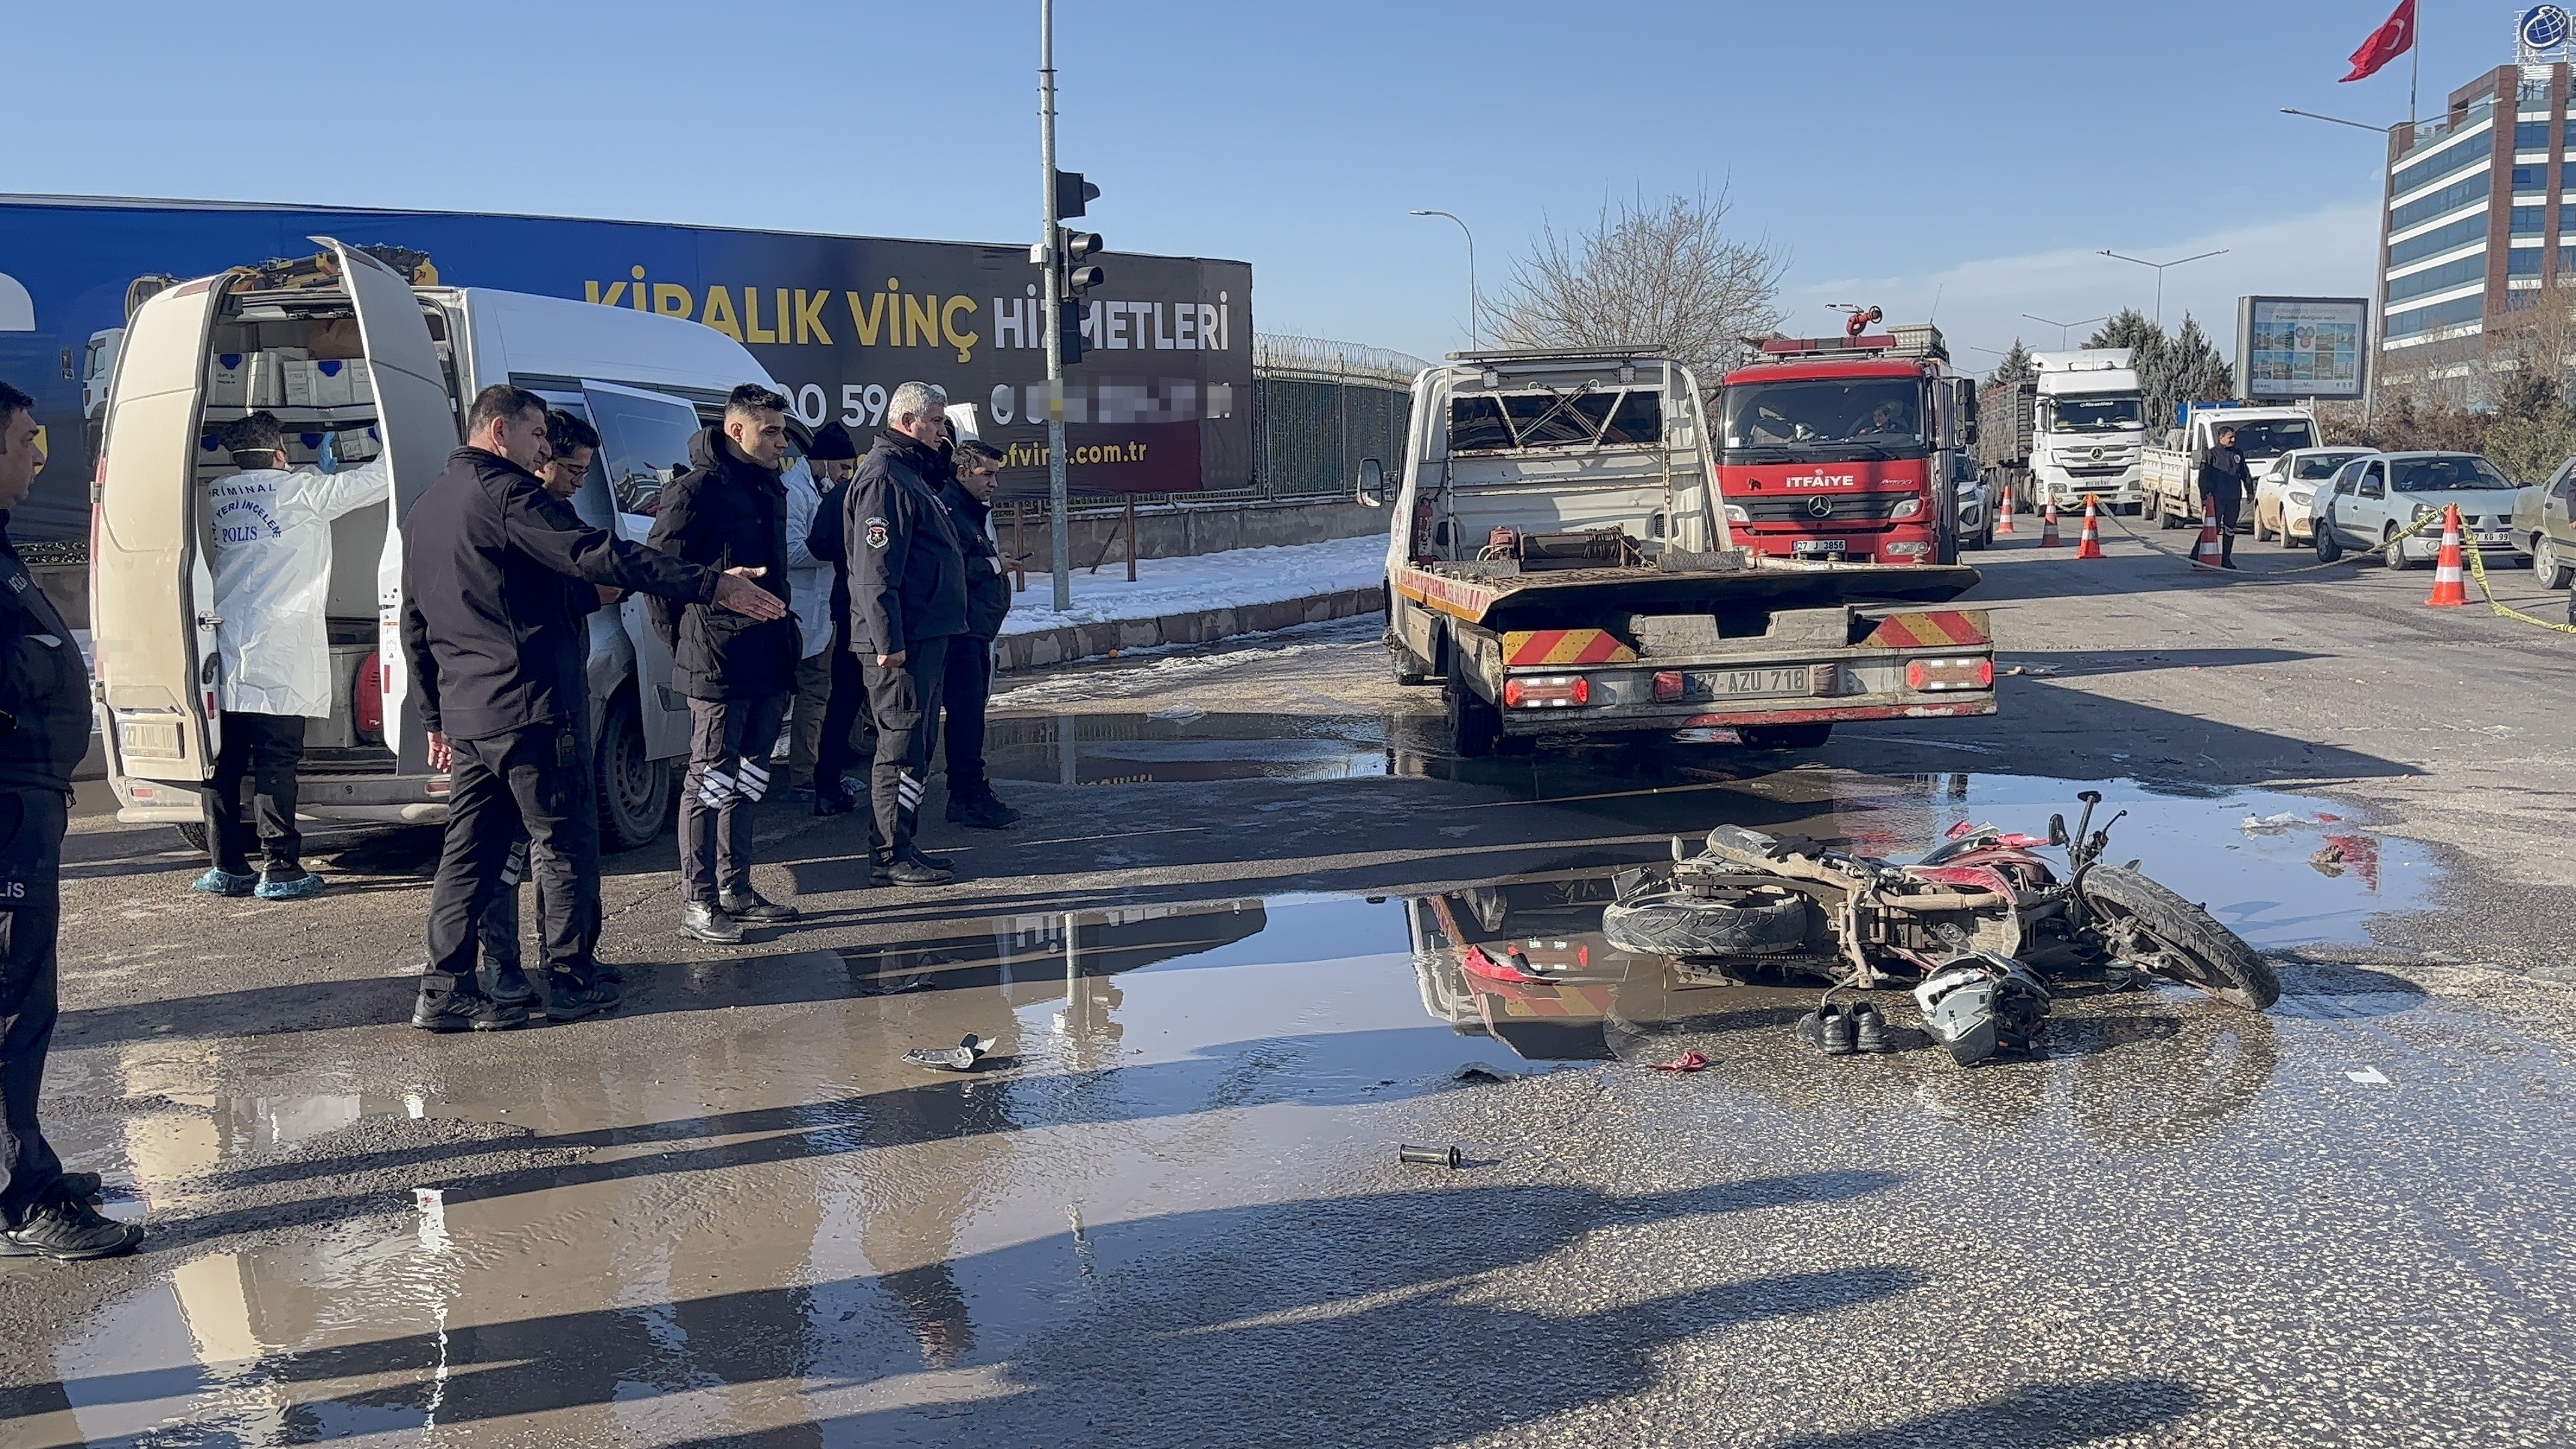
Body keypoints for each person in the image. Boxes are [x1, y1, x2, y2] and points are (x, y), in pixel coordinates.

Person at [402, 384, 786, 1032]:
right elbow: (593, 553)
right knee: (564, 844)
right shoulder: (508, 495)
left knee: (469, 855)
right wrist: (711, 584)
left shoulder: (428, 506)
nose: (543, 450)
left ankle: (444, 990)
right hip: (531, 707)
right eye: (536, 437)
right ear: (499, 432)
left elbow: (421, 622)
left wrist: (434, 716)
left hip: (471, 714)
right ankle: (571, 976)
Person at [0, 381, 138, 1258]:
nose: (35, 459)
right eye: (25, 443)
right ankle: (21, 1199)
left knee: (24, 1000)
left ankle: (28, 1164)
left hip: (26, 803)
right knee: (8, 1008)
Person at [194, 412, 390, 900]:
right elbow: (380, 480)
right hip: (278, 651)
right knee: (276, 762)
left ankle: (227, 864)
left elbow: (264, 497)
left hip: (225, 645)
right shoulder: (302, 493)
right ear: (280, 452)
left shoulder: (219, 493)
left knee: (224, 762)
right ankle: (279, 867)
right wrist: (388, 434)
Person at [649, 384, 803, 945]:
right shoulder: (695, 491)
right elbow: (658, 574)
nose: (782, 443)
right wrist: (690, 640)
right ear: (737, 430)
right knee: (711, 778)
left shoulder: (768, 485)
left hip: (769, 657)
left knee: (752, 775)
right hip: (716, 661)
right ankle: (699, 902)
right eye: (771, 432)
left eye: (783, 432)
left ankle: (736, 887)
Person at [474, 409, 610, 1008]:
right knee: (517, 846)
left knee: (569, 842)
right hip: (521, 707)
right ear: (540, 458)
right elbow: (577, 590)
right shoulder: (517, 517)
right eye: (572, 470)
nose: (579, 482)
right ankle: (510, 965)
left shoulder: (558, 516)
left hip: (558, 695)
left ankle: (573, 959)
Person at [847, 380, 968, 888]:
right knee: (899, 748)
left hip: (925, 635)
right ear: (906, 421)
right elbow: (875, 571)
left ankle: (905, 842)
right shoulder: (884, 478)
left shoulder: (910, 473)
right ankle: (889, 853)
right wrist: (888, 641)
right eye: (935, 421)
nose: (943, 431)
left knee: (917, 746)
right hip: (901, 644)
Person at [937, 438, 1018, 829]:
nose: (993, 484)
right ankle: (968, 795)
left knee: (969, 715)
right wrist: (994, 566)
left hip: (974, 630)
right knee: (966, 715)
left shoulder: (969, 510)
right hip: (960, 632)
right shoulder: (950, 510)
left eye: (996, 475)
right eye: (987, 474)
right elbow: (955, 569)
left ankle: (966, 792)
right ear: (962, 472)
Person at [786, 421, 855, 802]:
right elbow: (790, 551)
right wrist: (834, 547)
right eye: (843, 467)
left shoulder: (822, 489)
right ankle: (797, 776)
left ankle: (810, 772)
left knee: (818, 693)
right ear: (824, 461)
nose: (846, 475)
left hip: (822, 610)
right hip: (794, 610)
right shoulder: (794, 492)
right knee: (786, 696)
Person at [2200, 425, 2249, 569]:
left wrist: (2250, 491)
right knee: (2212, 528)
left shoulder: (2238, 454)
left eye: (2234, 437)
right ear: (2221, 438)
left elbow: (2245, 473)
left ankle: (2226, 559)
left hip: (2233, 497)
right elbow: (2203, 477)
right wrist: (2204, 496)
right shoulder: (2211, 454)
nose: (2233, 440)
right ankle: (2198, 555)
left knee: (2230, 528)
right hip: (2216, 498)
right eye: (2230, 437)